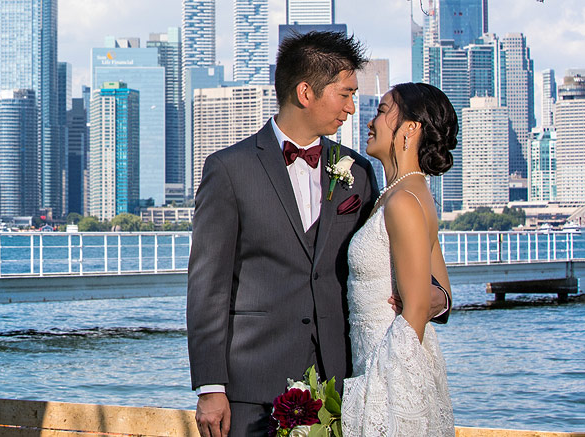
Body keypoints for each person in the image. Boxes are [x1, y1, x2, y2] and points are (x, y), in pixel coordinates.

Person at [186, 31, 449, 437]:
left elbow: (391, 256)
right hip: (251, 388)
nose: (351, 107)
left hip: (340, 384)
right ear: (306, 92)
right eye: (345, 94)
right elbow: (207, 287)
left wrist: (436, 298)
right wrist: (210, 387)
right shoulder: (228, 169)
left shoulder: (358, 172)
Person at [340, 82, 455, 436]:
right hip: (381, 356)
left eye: (382, 110)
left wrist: (380, 391)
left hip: (390, 369)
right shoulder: (404, 192)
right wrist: (431, 298)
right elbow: (443, 294)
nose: (370, 121)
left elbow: (419, 307)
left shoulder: (403, 200)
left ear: (409, 129)